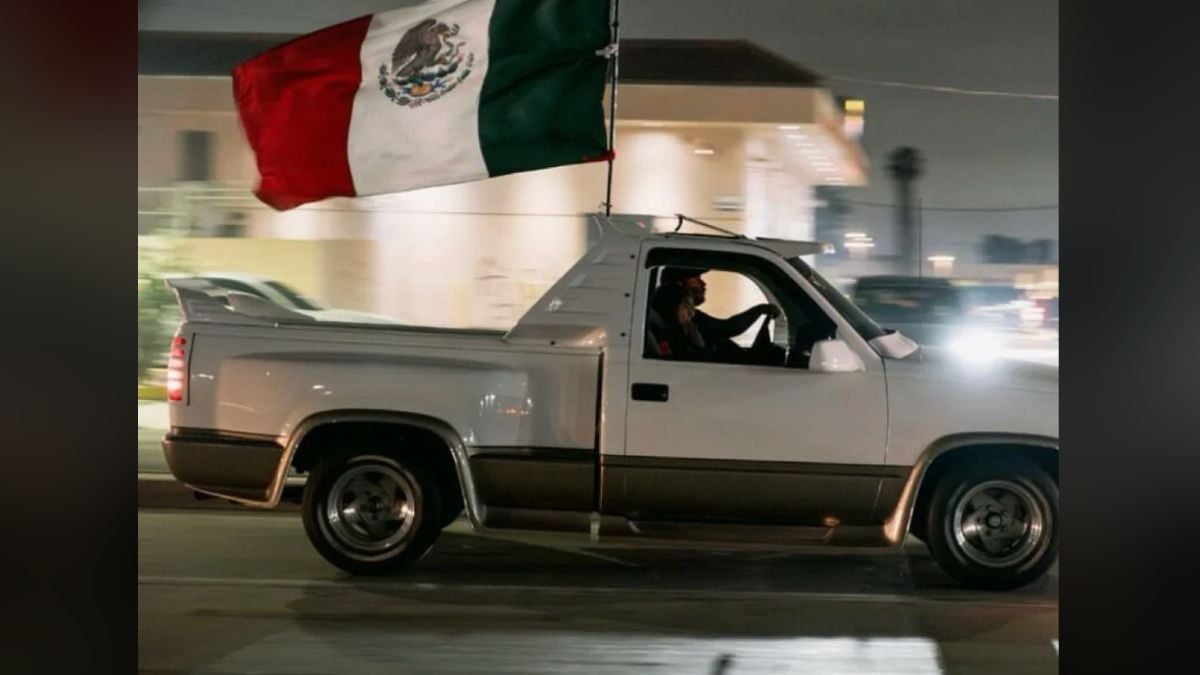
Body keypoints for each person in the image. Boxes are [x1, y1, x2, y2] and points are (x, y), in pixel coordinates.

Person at [655, 266, 782, 363]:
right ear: (678, 284)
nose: (703, 283)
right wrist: (760, 310)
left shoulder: (688, 320)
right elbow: (728, 328)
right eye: (696, 278)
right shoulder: (677, 318)